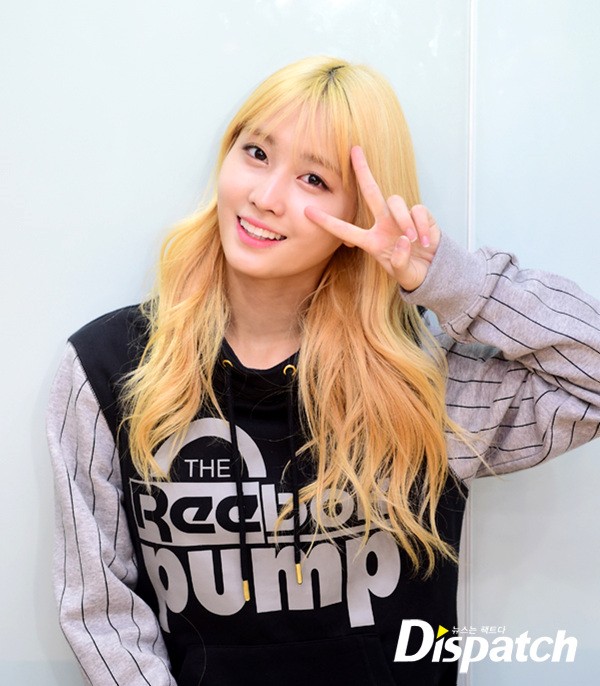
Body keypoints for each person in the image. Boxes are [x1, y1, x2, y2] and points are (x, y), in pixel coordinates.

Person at [47, 55, 600, 686]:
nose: (265, 197)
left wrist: (449, 281)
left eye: (313, 179)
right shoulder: (109, 368)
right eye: (257, 153)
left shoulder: (424, 381)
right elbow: (100, 610)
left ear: (360, 215)